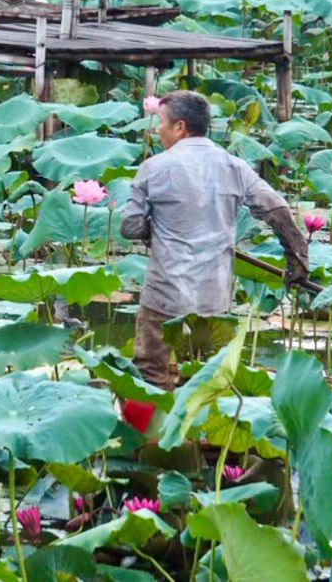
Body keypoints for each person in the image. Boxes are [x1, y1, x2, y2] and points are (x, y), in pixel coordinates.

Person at [120, 90, 310, 390]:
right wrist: (297, 259)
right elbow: (276, 209)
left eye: (161, 122)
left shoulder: (153, 168)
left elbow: (129, 227)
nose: (157, 129)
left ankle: (158, 435)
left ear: (180, 126)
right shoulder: (235, 167)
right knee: (204, 385)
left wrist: (151, 230)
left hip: (165, 299)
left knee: (153, 379)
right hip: (214, 300)